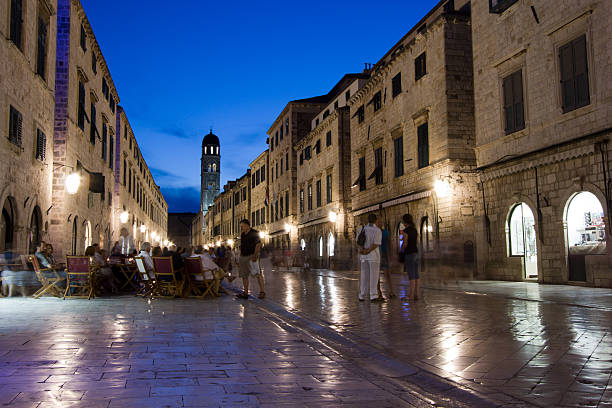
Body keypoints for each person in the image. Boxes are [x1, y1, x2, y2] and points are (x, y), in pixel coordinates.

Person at [357, 213, 383, 302]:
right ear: (375, 220)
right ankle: (373, 295)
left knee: (364, 276)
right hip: (374, 257)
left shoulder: (362, 229)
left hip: (363, 257)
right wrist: (368, 250)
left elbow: (358, 241)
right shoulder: (377, 230)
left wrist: (363, 250)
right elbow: (376, 244)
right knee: (374, 276)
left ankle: (362, 295)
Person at [236, 219, 265, 299]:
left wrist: (255, 255)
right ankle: (245, 292)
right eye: (240, 226)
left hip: (252, 256)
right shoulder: (242, 235)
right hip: (243, 256)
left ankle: (262, 291)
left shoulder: (254, 233)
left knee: (257, 274)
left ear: (247, 225)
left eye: (242, 226)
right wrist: (240, 257)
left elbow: (258, 244)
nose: (241, 228)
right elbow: (242, 246)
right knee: (244, 275)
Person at [400, 213, 419, 300]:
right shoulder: (415, 230)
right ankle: (416, 294)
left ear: (405, 222)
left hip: (409, 254)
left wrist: (401, 249)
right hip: (415, 253)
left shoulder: (405, 231)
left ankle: (411, 295)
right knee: (416, 275)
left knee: (411, 275)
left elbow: (405, 243)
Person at [377, 219, 396, 299]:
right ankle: (379, 292)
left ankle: (391, 291)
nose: (380, 223)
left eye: (381, 222)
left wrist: (391, 254)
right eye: (378, 222)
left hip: (384, 254)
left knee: (387, 274)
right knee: (376, 275)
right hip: (376, 254)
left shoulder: (385, 232)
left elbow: (389, 243)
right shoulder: (375, 232)